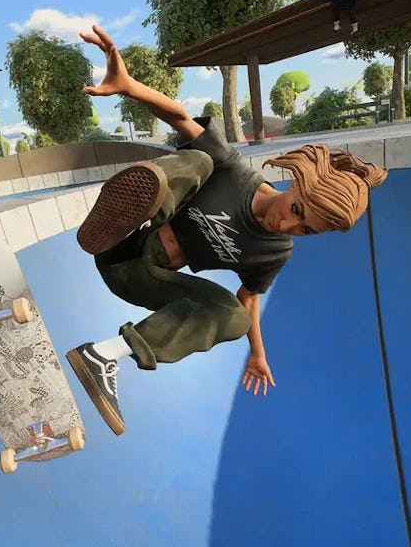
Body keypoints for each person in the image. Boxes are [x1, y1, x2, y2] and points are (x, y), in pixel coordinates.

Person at [65, 26, 387, 436]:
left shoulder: (275, 252)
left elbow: (248, 300)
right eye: (296, 210)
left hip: (140, 278)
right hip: (126, 240)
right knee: (200, 161)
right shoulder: (234, 171)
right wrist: (129, 87)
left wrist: (257, 353)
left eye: (305, 230)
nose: (287, 225)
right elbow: (180, 117)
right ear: (297, 186)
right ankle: (124, 213)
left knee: (233, 320)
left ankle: (101, 356)